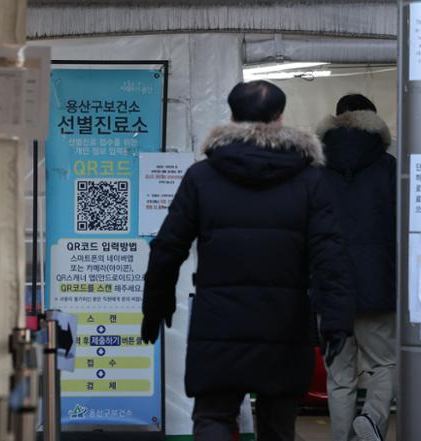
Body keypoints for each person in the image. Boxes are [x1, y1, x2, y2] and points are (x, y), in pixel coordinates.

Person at [141, 80, 355, 441]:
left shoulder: (202, 176)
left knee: (213, 417)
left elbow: (168, 247)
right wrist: (336, 321)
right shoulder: (309, 180)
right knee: (278, 424)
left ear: (231, 116)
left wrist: (154, 306)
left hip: (218, 322)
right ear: (280, 117)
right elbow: (330, 255)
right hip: (284, 322)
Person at [316, 94, 396, 441]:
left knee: (340, 375)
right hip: (376, 282)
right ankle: (374, 419)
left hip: (329, 285)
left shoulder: (314, 169)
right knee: (383, 364)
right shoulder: (390, 168)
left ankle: (341, 437)